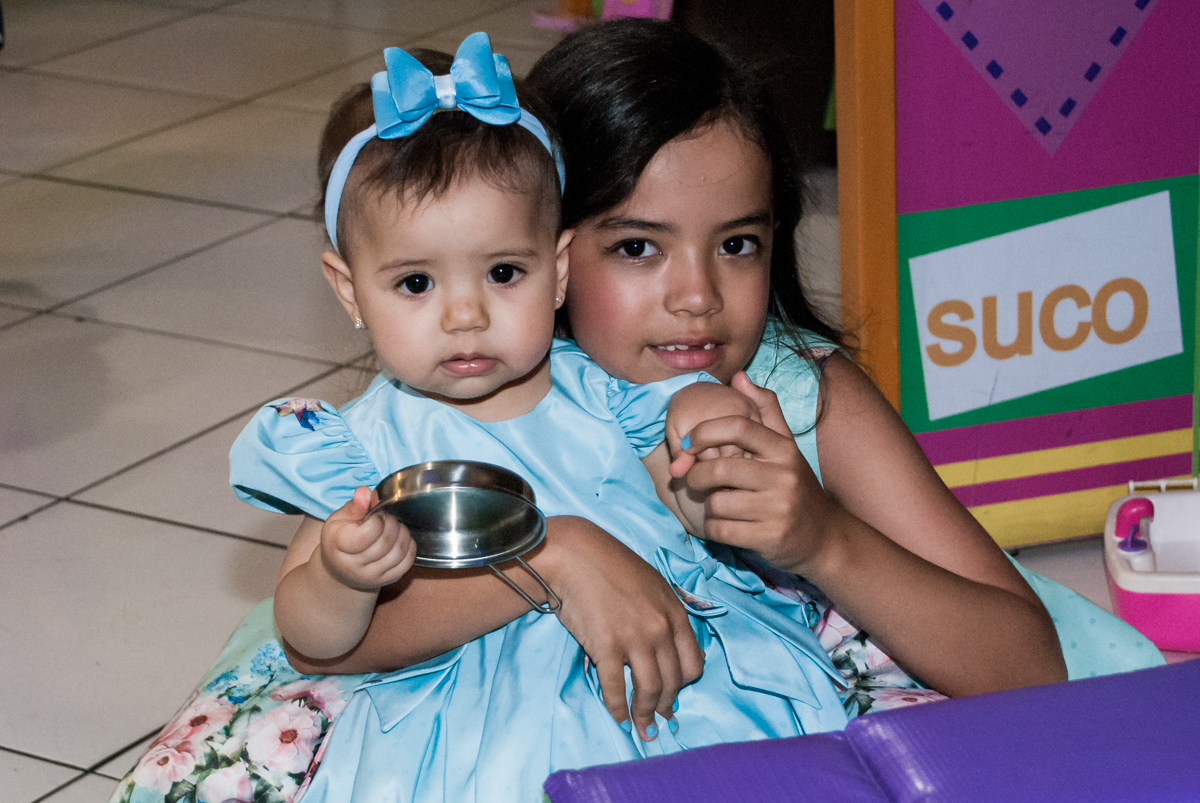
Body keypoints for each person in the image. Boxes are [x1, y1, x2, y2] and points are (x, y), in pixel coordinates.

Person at [228, 31, 880, 803]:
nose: (466, 314)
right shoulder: (357, 446)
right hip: (472, 730)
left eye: (504, 272)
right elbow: (309, 632)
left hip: (662, 675)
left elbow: (685, 453)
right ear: (348, 289)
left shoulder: (603, 392)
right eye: (415, 283)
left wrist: (712, 448)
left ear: (559, 266)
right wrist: (341, 572)